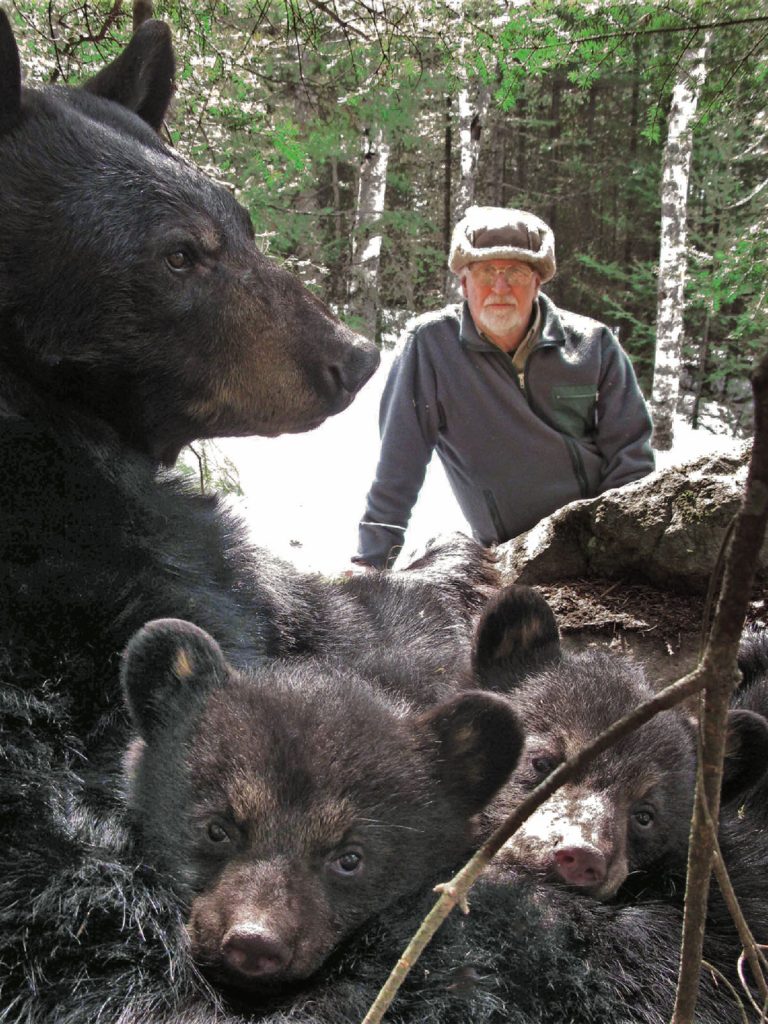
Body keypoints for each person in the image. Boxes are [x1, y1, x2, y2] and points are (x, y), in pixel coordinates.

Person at [352, 205, 655, 571]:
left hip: (593, 544)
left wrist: (618, 551)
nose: (500, 287)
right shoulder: (431, 346)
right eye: (486, 272)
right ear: (464, 283)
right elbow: (399, 463)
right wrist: (371, 562)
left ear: (537, 281)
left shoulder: (594, 345)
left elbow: (631, 460)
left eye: (515, 271)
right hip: (508, 556)